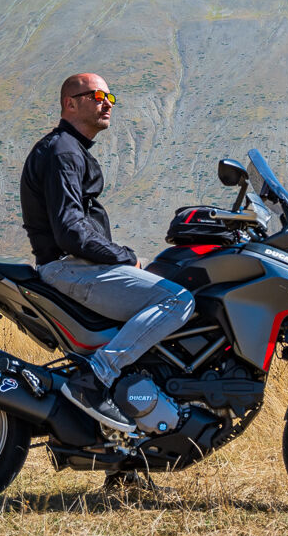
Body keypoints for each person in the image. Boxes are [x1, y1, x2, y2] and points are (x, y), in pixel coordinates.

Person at [20, 72, 194, 433]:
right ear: (71, 103)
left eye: (111, 97)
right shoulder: (62, 151)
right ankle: (97, 378)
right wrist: (123, 256)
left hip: (77, 266)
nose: (107, 103)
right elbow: (70, 231)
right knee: (178, 301)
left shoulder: (70, 150)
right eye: (97, 95)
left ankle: (125, 448)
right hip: (70, 267)